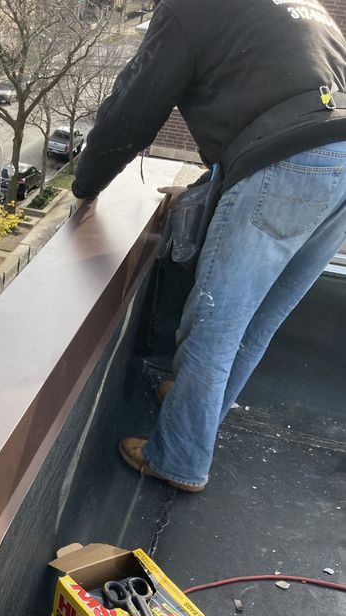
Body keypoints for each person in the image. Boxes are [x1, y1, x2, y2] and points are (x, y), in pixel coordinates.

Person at [72, 0, 346, 492]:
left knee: (214, 325)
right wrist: (214, 188)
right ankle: (193, 409)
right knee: (258, 320)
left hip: (289, 165)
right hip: (337, 167)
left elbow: (133, 110)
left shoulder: (189, 7)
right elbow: (289, 102)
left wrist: (86, 184)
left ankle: (177, 457)